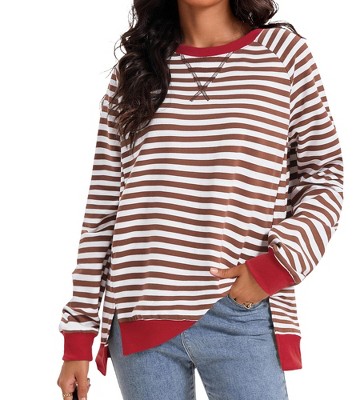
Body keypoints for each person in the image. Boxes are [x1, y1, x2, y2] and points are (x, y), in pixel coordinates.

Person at [57, 0, 344, 399]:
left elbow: (323, 174)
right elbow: (103, 209)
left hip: (241, 310)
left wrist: (277, 266)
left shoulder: (283, 55)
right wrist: (78, 334)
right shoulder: (134, 70)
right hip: (140, 312)